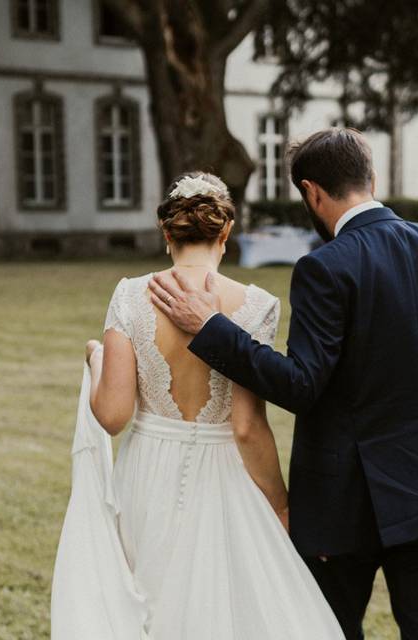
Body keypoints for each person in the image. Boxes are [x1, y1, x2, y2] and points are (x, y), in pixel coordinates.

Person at [149, 128, 418, 639]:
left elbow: (301, 385)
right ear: (371, 177)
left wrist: (211, 328)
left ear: (311, 192)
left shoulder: (324, 267)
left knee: (328, 631)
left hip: (345, 504)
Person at [55, 172, 345, 639]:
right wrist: (279, 505)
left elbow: (111, 416)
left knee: (146, 608)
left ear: (166, 232)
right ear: (225, 233)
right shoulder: (256, 305)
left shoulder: (130, 294)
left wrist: (96, 358)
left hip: (146, 473)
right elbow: (248, 427)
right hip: (224, 474)